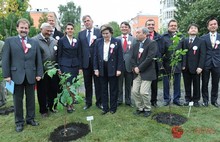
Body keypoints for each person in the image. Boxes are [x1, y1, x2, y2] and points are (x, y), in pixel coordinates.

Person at [2, 18, 43, 132]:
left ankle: (30, 119)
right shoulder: (9, 41)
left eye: (26, 28)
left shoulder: (34, 42)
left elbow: (38, 59)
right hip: (15, 76)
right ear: (17, 28)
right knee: (17, 100)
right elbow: (5, 59)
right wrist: (6, 75)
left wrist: (39, 73)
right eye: (22, 28)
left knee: (31, 99)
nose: (24, 30)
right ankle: (19, 122)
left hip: (31, 75)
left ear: (29, 29)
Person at [93, 24, 123, 114]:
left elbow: (120, 57)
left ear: (111, 33)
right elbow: (95, 56)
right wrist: (96, 69)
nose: (105, 35)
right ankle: (105, 107)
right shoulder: (98, 42)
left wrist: (119, 69)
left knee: (113, 89)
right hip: (102, 68)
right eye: (103, 33)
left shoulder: (116, 41)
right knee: (103, 89)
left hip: (113, 68)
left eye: (107, 33)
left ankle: (113, 108)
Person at [33, 23, 59, 117]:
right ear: (41, 29)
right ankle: (43, 110)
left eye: (50, 31)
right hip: (42, 71)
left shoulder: (53, 40)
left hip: (53, 70)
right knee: (42, 91)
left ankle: (52, 107)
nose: (49, 32)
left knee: (53, 90)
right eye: (47, 30)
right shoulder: (34, 40)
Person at [131, 27, 157, 117]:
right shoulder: (136, 44)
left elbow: (150, 58)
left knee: (143, 92)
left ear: (145, 34)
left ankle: (147, 108)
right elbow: (132, 58)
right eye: (136, 32)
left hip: (147, 71)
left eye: (138, 32)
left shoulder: (152, 43)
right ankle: (140, 107)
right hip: (136, 72)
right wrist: (135, 67)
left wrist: (140, 68)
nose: (136, 34)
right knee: (134, 91)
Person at [78, 15, 102, 110]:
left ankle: (99, 102)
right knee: (87, 84)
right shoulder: (81, 34)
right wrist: (80, 66)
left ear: (92, 21)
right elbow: (79, 51)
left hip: (96, 63)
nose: (86, 22)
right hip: (85, 63)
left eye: (88, 20)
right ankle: (88, 103)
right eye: (85, 21)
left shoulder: (99, 32)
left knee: (98, 84)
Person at [180, 23, 206, 107]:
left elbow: (203, 55)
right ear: (188, 31)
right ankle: (188, 99)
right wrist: (183, 65)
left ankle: (196, 100)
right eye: (191, 28)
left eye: (195, 28)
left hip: (196, 67)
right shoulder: (184, 40)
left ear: (197, 31)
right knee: (187, 84)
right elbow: (182, 54)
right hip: (186, 67)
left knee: (196, 84)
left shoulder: (201, 41)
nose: (193, 29)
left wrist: (200, 67)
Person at [57, 22, 81, 113]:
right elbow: (59, 55)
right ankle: (69, 105)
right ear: (65, 30)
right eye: (68, 29)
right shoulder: (61, 40)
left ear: (73, 30)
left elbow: (79, 54)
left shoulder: (76, 40)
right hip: (65, 65)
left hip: (75, 65)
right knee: (68, 85)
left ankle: (72, 102)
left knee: (73, 84)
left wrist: (80, 67)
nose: (70, 30)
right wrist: (59, 67)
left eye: (71, 29)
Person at [161, 19, 182, 106]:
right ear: (168, 27)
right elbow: (161, 51)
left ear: (177, 27)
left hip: (177, 63)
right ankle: (166, 99)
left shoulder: (181, 37)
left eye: (175, 26)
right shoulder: (164, 37)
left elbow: (183, 51)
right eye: (171, 25)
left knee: (177, 82)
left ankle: (176, 99)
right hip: (166, 64)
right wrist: (161, 64)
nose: (173, 27)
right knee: (166, 82)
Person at [201, 17, 220, 107]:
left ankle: (214, 100)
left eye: (214, 24)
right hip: (206, 63)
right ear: (208, 27)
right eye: (211, 24)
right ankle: (205, 100)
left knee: (215, 83)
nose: (213, 26)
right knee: (204, 82)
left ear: (217, 25)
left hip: (217, 63)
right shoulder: (203, 38)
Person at [145, 19, 164, 107]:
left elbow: (162, 49)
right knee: (144, 84)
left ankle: (154, 101)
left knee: (154, 84)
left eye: (152, 24)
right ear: (146, 26)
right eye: (149, 24)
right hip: (144, 64)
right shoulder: (142, 36)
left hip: (155, 64)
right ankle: (144, 102)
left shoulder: (159, 37)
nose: (151, 26)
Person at [117, 21, 136, 107]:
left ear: (128, 28)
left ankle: (128, 100)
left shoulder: (134, 39)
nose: (124, 28)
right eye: (122, 27)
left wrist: (134, 65)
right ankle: (119, 100)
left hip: (129, 66)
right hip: (119, 66)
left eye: (126, 27)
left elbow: (135, 54)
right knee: (119, 84)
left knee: (128, 85)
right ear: (120, 28)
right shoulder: (116, 39)